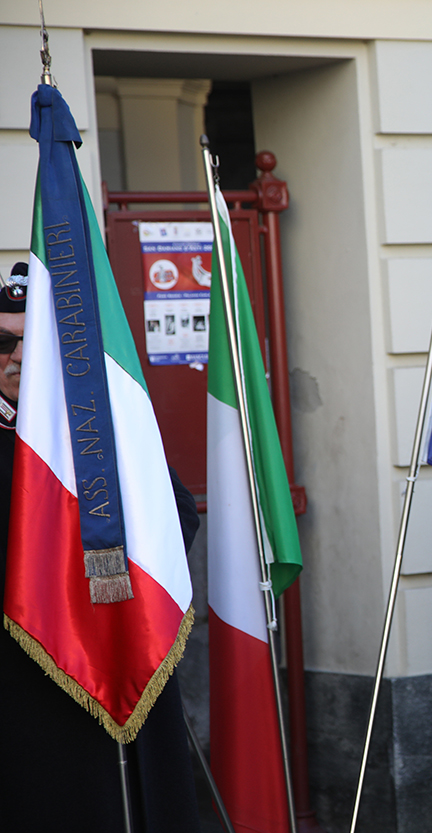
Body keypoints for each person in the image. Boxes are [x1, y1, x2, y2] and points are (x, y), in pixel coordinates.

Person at [0, 262, 202, 831]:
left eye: (31, 342)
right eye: (2, 342)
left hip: (116, 650)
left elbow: (178, 513)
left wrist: (105, 575)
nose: (17, 358)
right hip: (24, 686)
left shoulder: (98, 425)